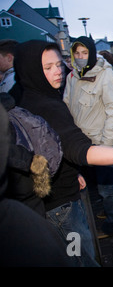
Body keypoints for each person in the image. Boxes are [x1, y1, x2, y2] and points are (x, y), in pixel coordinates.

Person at [13, 40, 113, 266]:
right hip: (60, 207)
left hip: (63, 188)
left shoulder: (37, 95)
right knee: (80, 258)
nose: (57, 71)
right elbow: (79, 149)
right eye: (47, 68)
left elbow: (52, 145)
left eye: (59, 64)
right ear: (30, 70)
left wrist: (70, 168)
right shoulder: (44, 104)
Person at [63, 36, 113, 239]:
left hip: (100, 141)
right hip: (78, 141)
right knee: (87, 185)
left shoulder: (104, 74)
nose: (81, 57)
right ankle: (110, 211)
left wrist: (107, 144)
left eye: (85, 53)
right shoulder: (72, 76)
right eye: (77, 53)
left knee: (106, 186)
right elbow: (66, 105)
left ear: (91, 53)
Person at [0, 103, 78, 267]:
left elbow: (68, 140)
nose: (59, 74)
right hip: (53, 202)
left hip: (59, 198)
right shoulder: (27, 101)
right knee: (74, 252)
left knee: (76, 251)